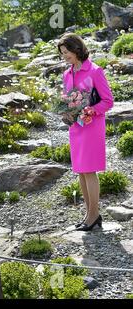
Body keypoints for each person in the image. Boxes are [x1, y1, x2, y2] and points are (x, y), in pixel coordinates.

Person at [58, 33, 114, 231]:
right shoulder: (67, 74)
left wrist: (92, 109)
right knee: (81, 171)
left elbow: (108, 101)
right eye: (62, 53)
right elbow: (69, 98)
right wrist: (65, 108)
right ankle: (88, 214)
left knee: (89, 170)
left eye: (67, 53)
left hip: (92, 127)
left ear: (77, 49)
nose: (65, 57)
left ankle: (93, 215)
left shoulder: (95, 71)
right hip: (76, 127)